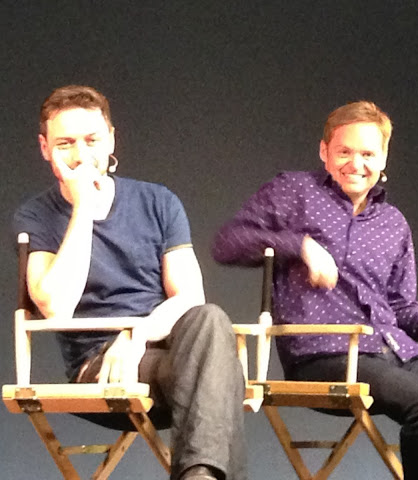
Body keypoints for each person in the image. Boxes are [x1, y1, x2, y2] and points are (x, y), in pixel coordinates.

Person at [212, 101, 418, 480]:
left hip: (396, 352)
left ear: (383, 158)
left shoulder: (392, 222)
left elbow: (401, 304)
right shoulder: (295, 191)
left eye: (367, 154)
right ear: (324, 151)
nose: (356, 164)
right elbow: (228, 242)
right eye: (344, 152)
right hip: (325, 355)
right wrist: (300, 246)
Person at [13, 85, 246, 480]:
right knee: (222, 377)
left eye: (92, 140)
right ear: (45, 148)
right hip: (100, 365)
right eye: (65, 143)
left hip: (167, 348)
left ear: (111, 140)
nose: (81, 155)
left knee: (209, 320)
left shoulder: (159, 202)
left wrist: (136, 335)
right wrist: (82, 207)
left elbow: (190, 297)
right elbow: (56, 306)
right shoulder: (35, 216)